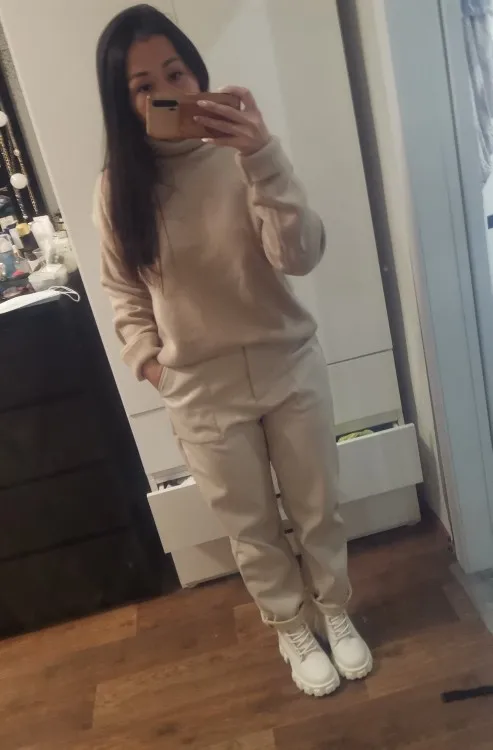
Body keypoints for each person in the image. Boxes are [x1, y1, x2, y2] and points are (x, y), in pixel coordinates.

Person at [95, 4, 372, 697]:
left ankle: (334, 610)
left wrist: (263, 156)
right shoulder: (119, 188)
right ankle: (290, 625)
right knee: (251, 528)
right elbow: (122, 289)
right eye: (142, 85)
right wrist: (151, 363)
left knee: (318, 508)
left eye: (176, 72)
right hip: (200, 389)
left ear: (198, 73)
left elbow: (299, 256)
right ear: (123, 103)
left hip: (287, 363)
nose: (167, 91)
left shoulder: (243, 156)